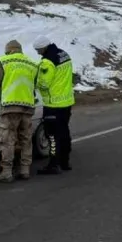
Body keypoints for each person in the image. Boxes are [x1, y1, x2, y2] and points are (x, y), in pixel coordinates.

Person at [0, 40, 39, 183]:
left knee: (7, 140)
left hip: (9, 106)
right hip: (28, 106)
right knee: (26, 139)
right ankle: (25, 169)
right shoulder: (32, 63)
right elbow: (35, 83)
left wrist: (0, 89)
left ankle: (7, 171)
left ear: (8, 50)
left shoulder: (3, 61)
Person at [32, 35, 75, 174]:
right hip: (66, 102)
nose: (38, 53)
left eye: (38, 50)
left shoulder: (47, 62)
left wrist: (36, 83)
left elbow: (44, 84)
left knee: (52, 135)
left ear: (43, 48)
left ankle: (53, 164)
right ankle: (65, 162)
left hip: (53, 104)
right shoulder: (64, 54)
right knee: (64, 132)